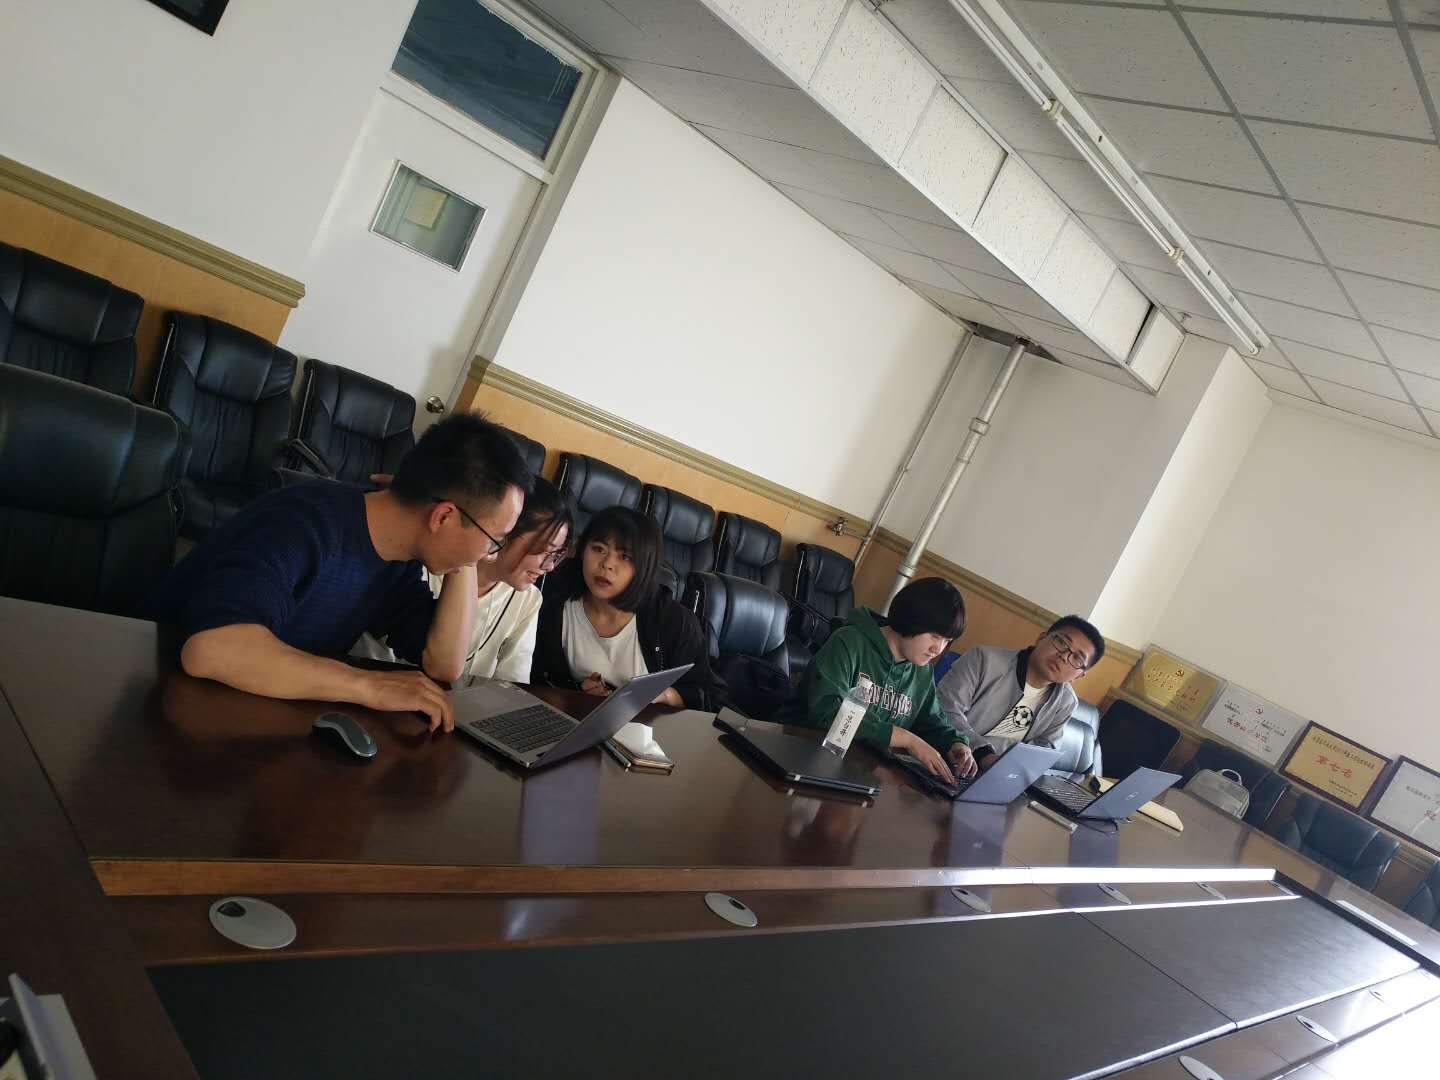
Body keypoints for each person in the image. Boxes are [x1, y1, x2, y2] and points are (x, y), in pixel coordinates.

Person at [147, 413, 532, 732]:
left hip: (247, 715)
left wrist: (465, 554)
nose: (490, 554)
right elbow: (212, 650)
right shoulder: (305, 523)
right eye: (494, 540)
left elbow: (443, 663)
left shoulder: (398, 559)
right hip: (162, 707)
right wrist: (369, 686)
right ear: (443, 516)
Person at [356, 477, 572, 682]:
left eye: (556, 554)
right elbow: (375, 656)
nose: (550, 566)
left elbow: (514, 683)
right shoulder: (422, 565)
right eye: (543, 550)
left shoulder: (528, 599)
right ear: (506, 528)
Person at [779, 576, 974, 783]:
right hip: (802, 755)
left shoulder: (922, 671)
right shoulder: (849, 642)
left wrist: (954, 743)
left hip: (858, 770)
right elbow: (825, 712)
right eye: (935, 636)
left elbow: (931, 721)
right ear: (913, 618)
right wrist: (905, 738)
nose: (938, 649)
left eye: (947, 640)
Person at [530, 506, 715, 710]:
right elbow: (535, 679)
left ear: (644, 568)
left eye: (625, 557)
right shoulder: (553, 599)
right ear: (582, 551)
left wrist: (664, 695)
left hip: (647, 727)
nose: (607, 564)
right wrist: (578, 692)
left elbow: (709, 697)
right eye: (598, 549)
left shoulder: (673, 621)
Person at [936, 615, 1104, 771]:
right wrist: (984, 755)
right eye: (1062, 642)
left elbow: (1045, 747)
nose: (1064, 657)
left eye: (1077, 659)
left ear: (1078, 676)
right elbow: (945, 710)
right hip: (944, 756)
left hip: (997, 776)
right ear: (1042, 638)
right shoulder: (983, 659)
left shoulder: (1066, 702)